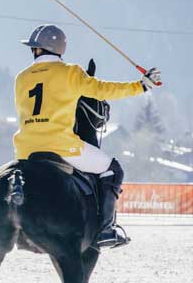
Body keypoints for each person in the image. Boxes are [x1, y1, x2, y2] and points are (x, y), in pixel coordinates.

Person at [13, 24, 161, 248]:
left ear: (38, 50)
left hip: (25, 149)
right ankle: (105, 230)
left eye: (34, 48)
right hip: (61, 146)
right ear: (58, 49)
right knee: (113, 168)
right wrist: (141, 86)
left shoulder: (21, 78)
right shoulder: (70, 73)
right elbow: (103, 90)